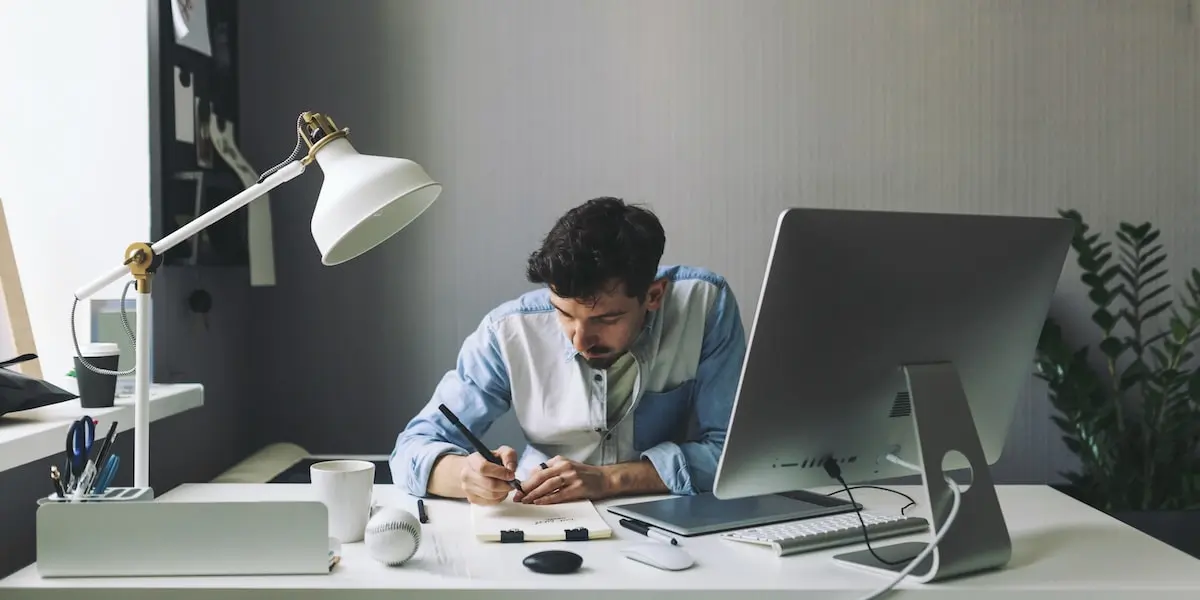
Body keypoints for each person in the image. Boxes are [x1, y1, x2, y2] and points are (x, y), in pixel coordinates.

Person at [389, 197, 746, 505]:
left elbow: (735, 455)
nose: (579, 340)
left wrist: (610, 480)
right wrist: (465, 476)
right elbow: (409, 450)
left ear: (653, 295)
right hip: (540, 516)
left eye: (607, 318)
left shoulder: (704, 305)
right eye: (563, 313)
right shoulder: (508, 332)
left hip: (666, 519)